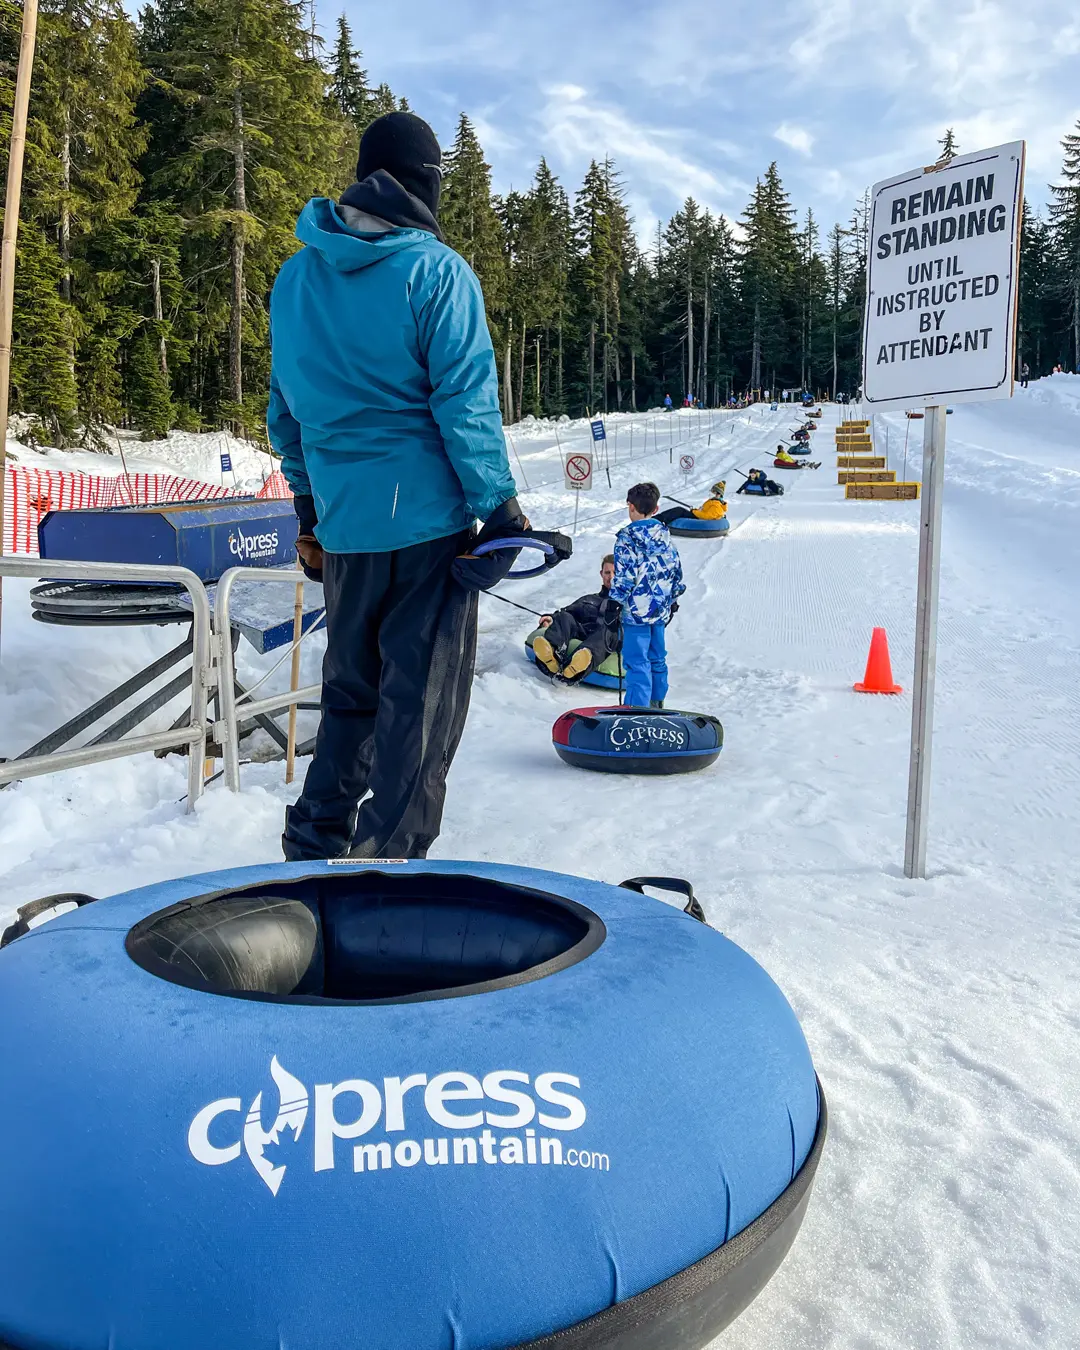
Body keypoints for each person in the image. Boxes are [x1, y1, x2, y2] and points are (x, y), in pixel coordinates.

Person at [268, 111, 525, 862]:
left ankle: (313, 850)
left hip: (345, 530)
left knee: (350, 697)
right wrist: (500, 510)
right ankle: (390, 869)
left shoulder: (296, 277)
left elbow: (287, 408)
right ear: (425, 183)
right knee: (419, 709)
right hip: (426, 531)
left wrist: (309, 507)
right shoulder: (436, 272)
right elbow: (464, 401)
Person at [608, 483, 685, 709]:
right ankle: (656, 704)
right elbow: (675, 570)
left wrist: (614, 603)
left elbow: (626, 576)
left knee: (637, 662)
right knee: (657, 658)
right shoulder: (666, 536)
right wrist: (673, 599)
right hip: (659, 609)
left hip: (635, 612)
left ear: (631, 506)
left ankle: (637, 711)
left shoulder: (627, 538)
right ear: (656, 508)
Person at [531, 555, 620, 682]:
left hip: (604, 640)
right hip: (584, 632)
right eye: (607, 572)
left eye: (615, 573)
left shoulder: (629, 605)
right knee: (564, 616)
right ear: (601, 574)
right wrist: (551, 619)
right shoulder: (590, 599)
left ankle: (579, 664)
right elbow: (567, 612)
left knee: (609, 629)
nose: (611, 577)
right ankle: (552, 653)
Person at [656, 480, 727, 526]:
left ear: (718, 494)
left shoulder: (717, 505)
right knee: (679, 511)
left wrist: (694, 511)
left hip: (698, 519)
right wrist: (696, 510)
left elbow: (707, 516)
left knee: (679, 510)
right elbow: (704, 511)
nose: (710, 492)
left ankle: (658, 519)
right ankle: (662, 519)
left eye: (713, 491)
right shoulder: (713, 501)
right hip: (698, 516)